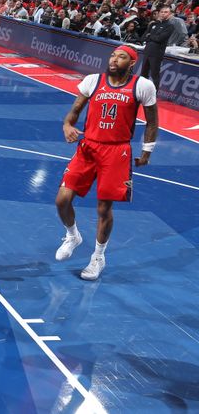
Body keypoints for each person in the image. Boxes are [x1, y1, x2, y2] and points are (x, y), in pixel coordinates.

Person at [55, 45, 158, 280]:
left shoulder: (142, 86)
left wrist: (147, 152)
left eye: (121, 57)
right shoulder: (93, 80)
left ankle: (98, 257)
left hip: (117, 151)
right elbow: (76, 109)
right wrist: (67, 125)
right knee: (62, 199)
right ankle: (72, 236)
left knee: (104, 208)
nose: (114, 60)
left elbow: (152, 122)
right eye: (112, 55)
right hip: (88, 147)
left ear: (132, 63)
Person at [140, 5, 176, 89]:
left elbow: (159, 39)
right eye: (162, 12)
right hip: (147, 51)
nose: (163, 14)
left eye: (166, 12)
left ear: (170, 14)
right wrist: (151, 37)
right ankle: (141, 91)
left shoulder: (170, 25)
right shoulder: (154, 24)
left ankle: (153, 94)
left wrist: (150, 36)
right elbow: (144, 37)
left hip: (156, 53)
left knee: (154, 75)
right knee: (143, 74)